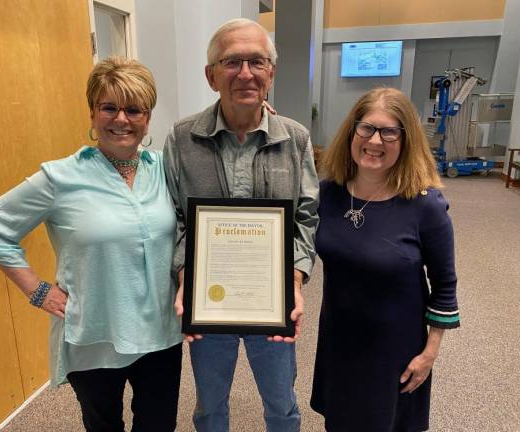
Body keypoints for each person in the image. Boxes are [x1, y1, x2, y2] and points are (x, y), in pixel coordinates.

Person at [0, 56, 182, 432]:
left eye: (134, 109)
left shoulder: (164, 169)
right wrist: (38, 291)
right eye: (109, 108)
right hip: (94, 336)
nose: (121, 119)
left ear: (147, 118)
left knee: (158, 426)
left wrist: (245, 122)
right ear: (92, 113)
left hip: (161, 335)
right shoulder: (60, 177)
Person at [163, 18, 319, 432]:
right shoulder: (181, 139)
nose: (245, 73)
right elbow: (175, 218)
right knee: (209, 406)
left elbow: (306, 216)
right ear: (211, 75)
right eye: (232, 62)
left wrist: (296, 281)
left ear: (271, 73)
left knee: (282, 403)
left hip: (273, 302)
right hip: (207, 303)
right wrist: (184, 276)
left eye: (257, 61)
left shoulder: (296, 139)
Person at [311, 87, 460, 431]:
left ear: (406, 140)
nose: (375, 141)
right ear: (352, 132)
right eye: (366, 128)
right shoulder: (329, 193)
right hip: (339, 340)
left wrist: (429, 354)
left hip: (394, 351)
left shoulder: (425, 205)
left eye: (389, 132)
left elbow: (445, 285)